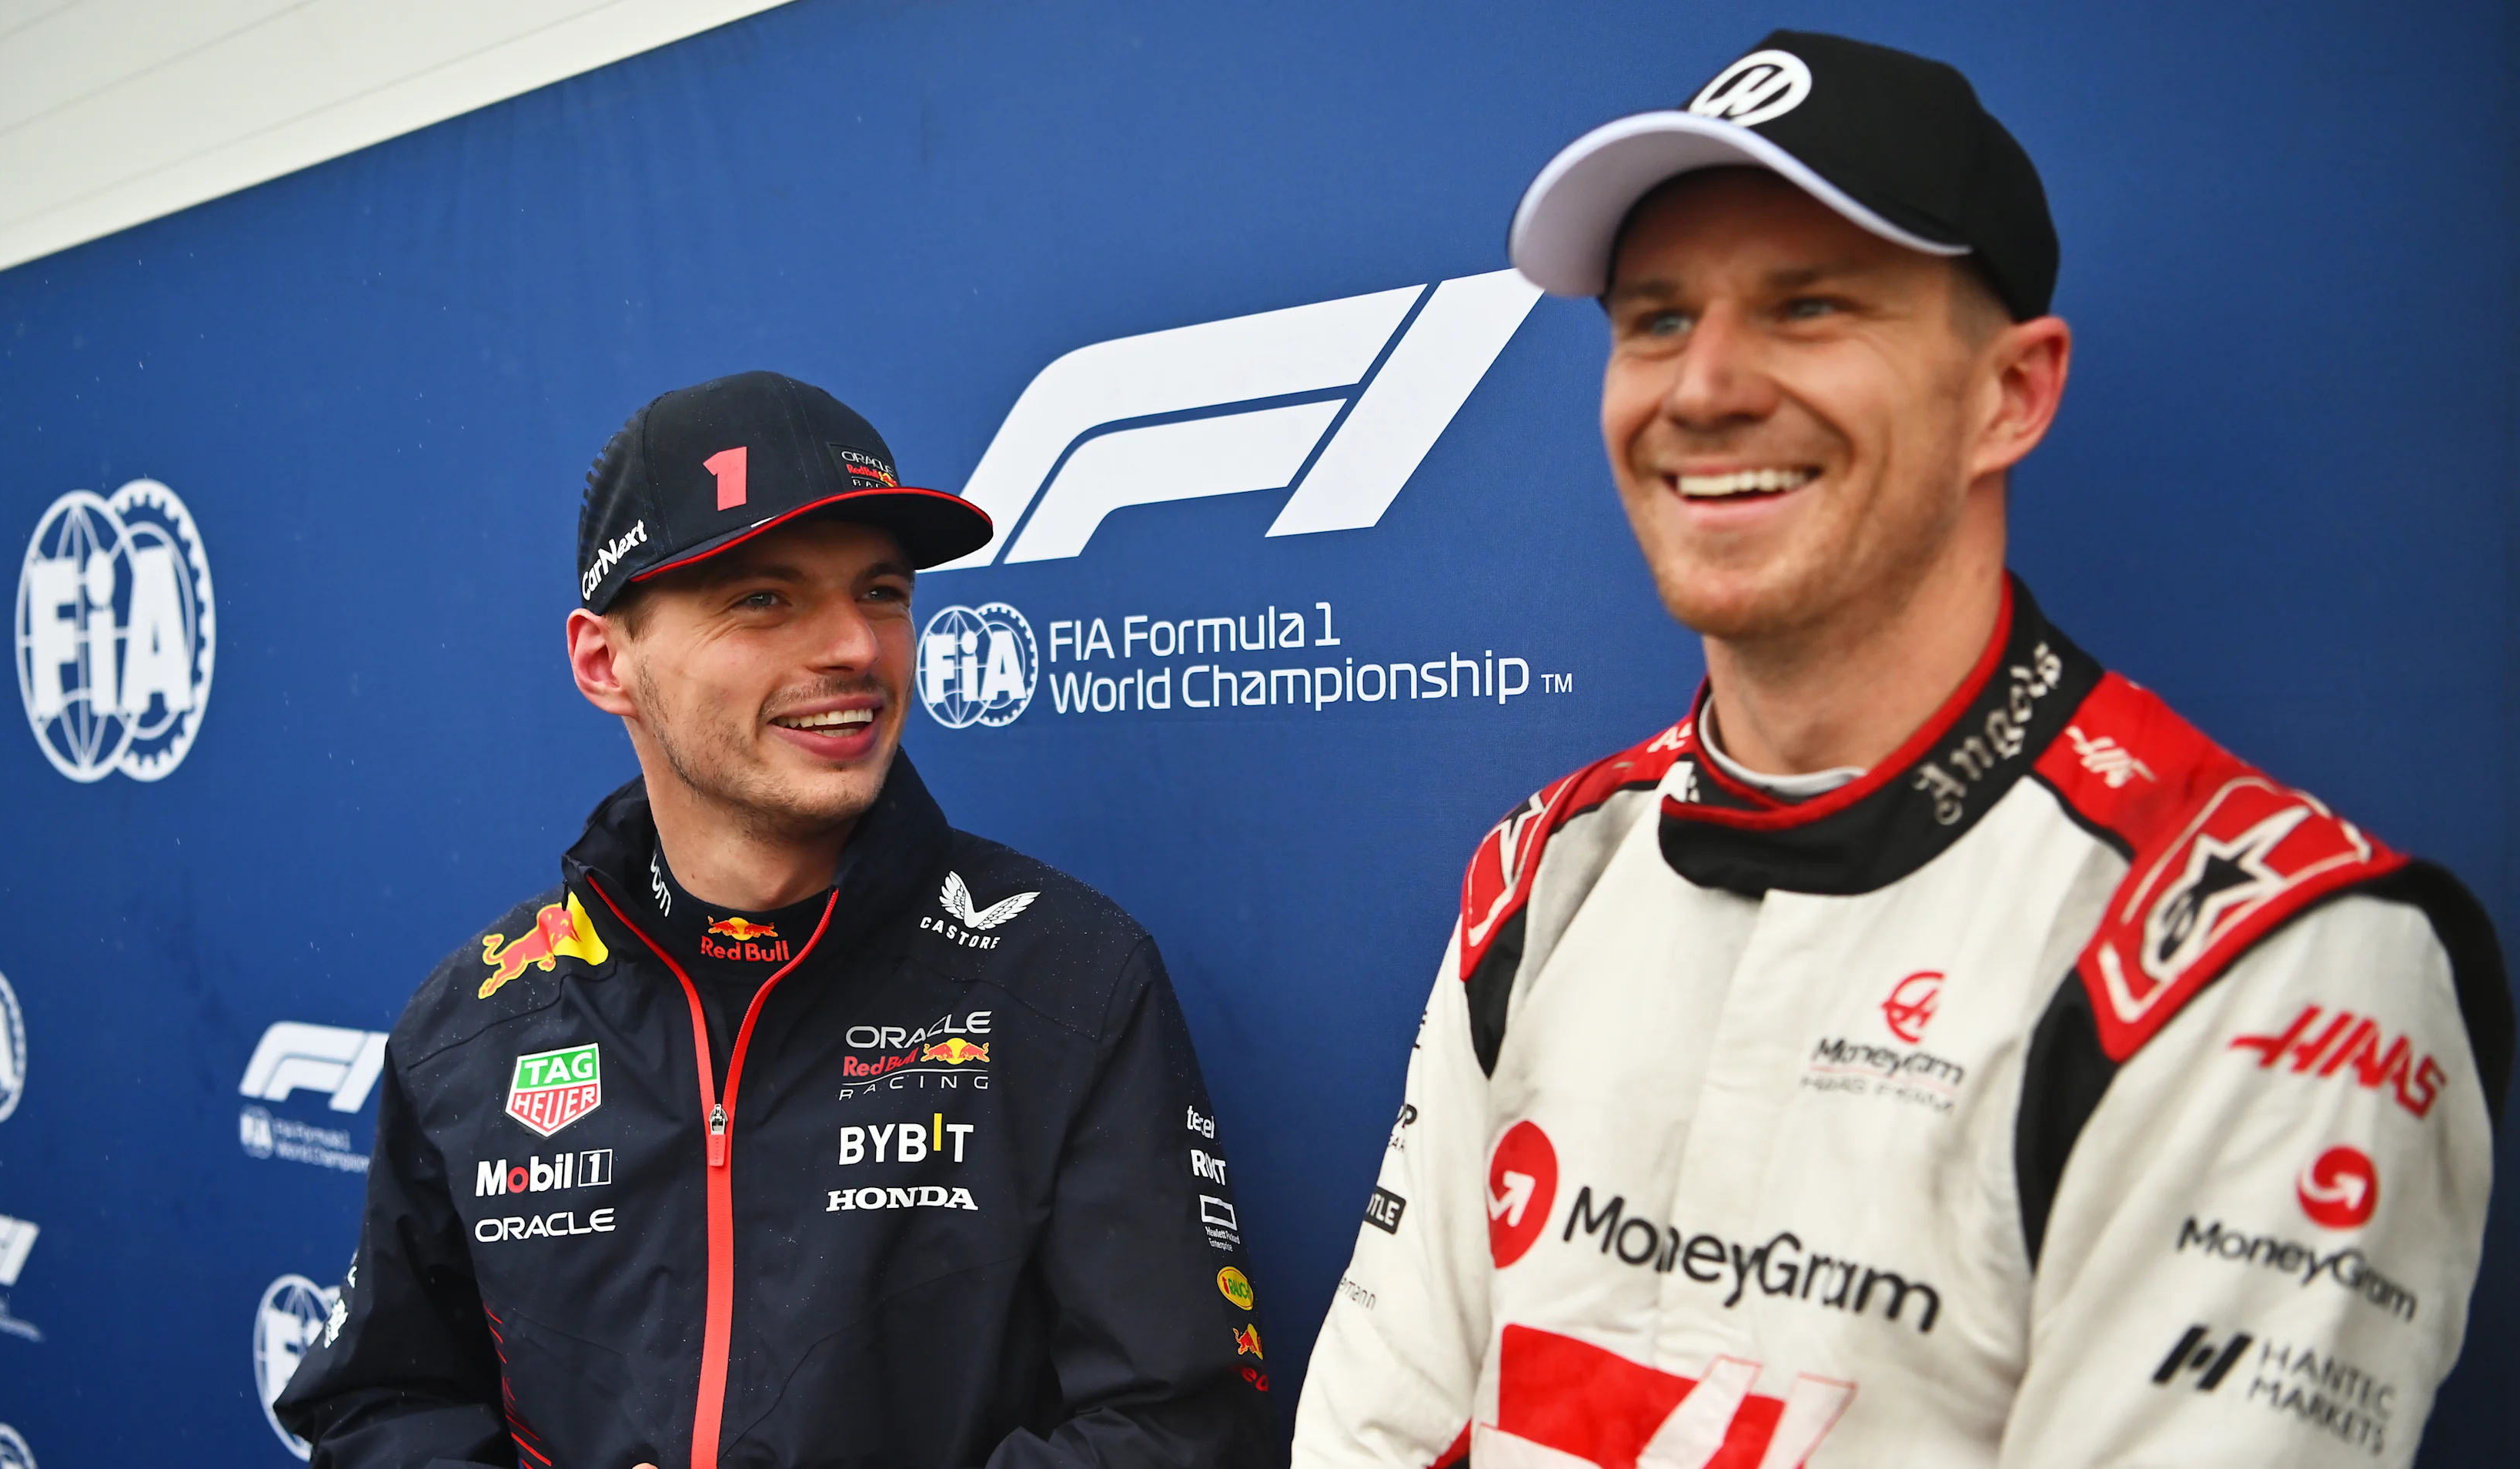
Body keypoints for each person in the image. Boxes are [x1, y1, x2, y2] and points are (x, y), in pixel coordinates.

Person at [1295, 32, 2510, 1469]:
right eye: (1656, 319)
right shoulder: (1546, 875)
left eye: (1810, 308)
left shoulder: (2274, 958)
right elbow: (1373, 1433)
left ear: (2013, 393)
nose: (1704, 387)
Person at [276, 371, 1276, 1469]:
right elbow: (385, 1402)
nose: (854, 645)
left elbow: (1176, 1428)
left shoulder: (1067, 976)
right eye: (765, 599)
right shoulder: (475, 1021)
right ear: (606, 663)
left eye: (883, 592)